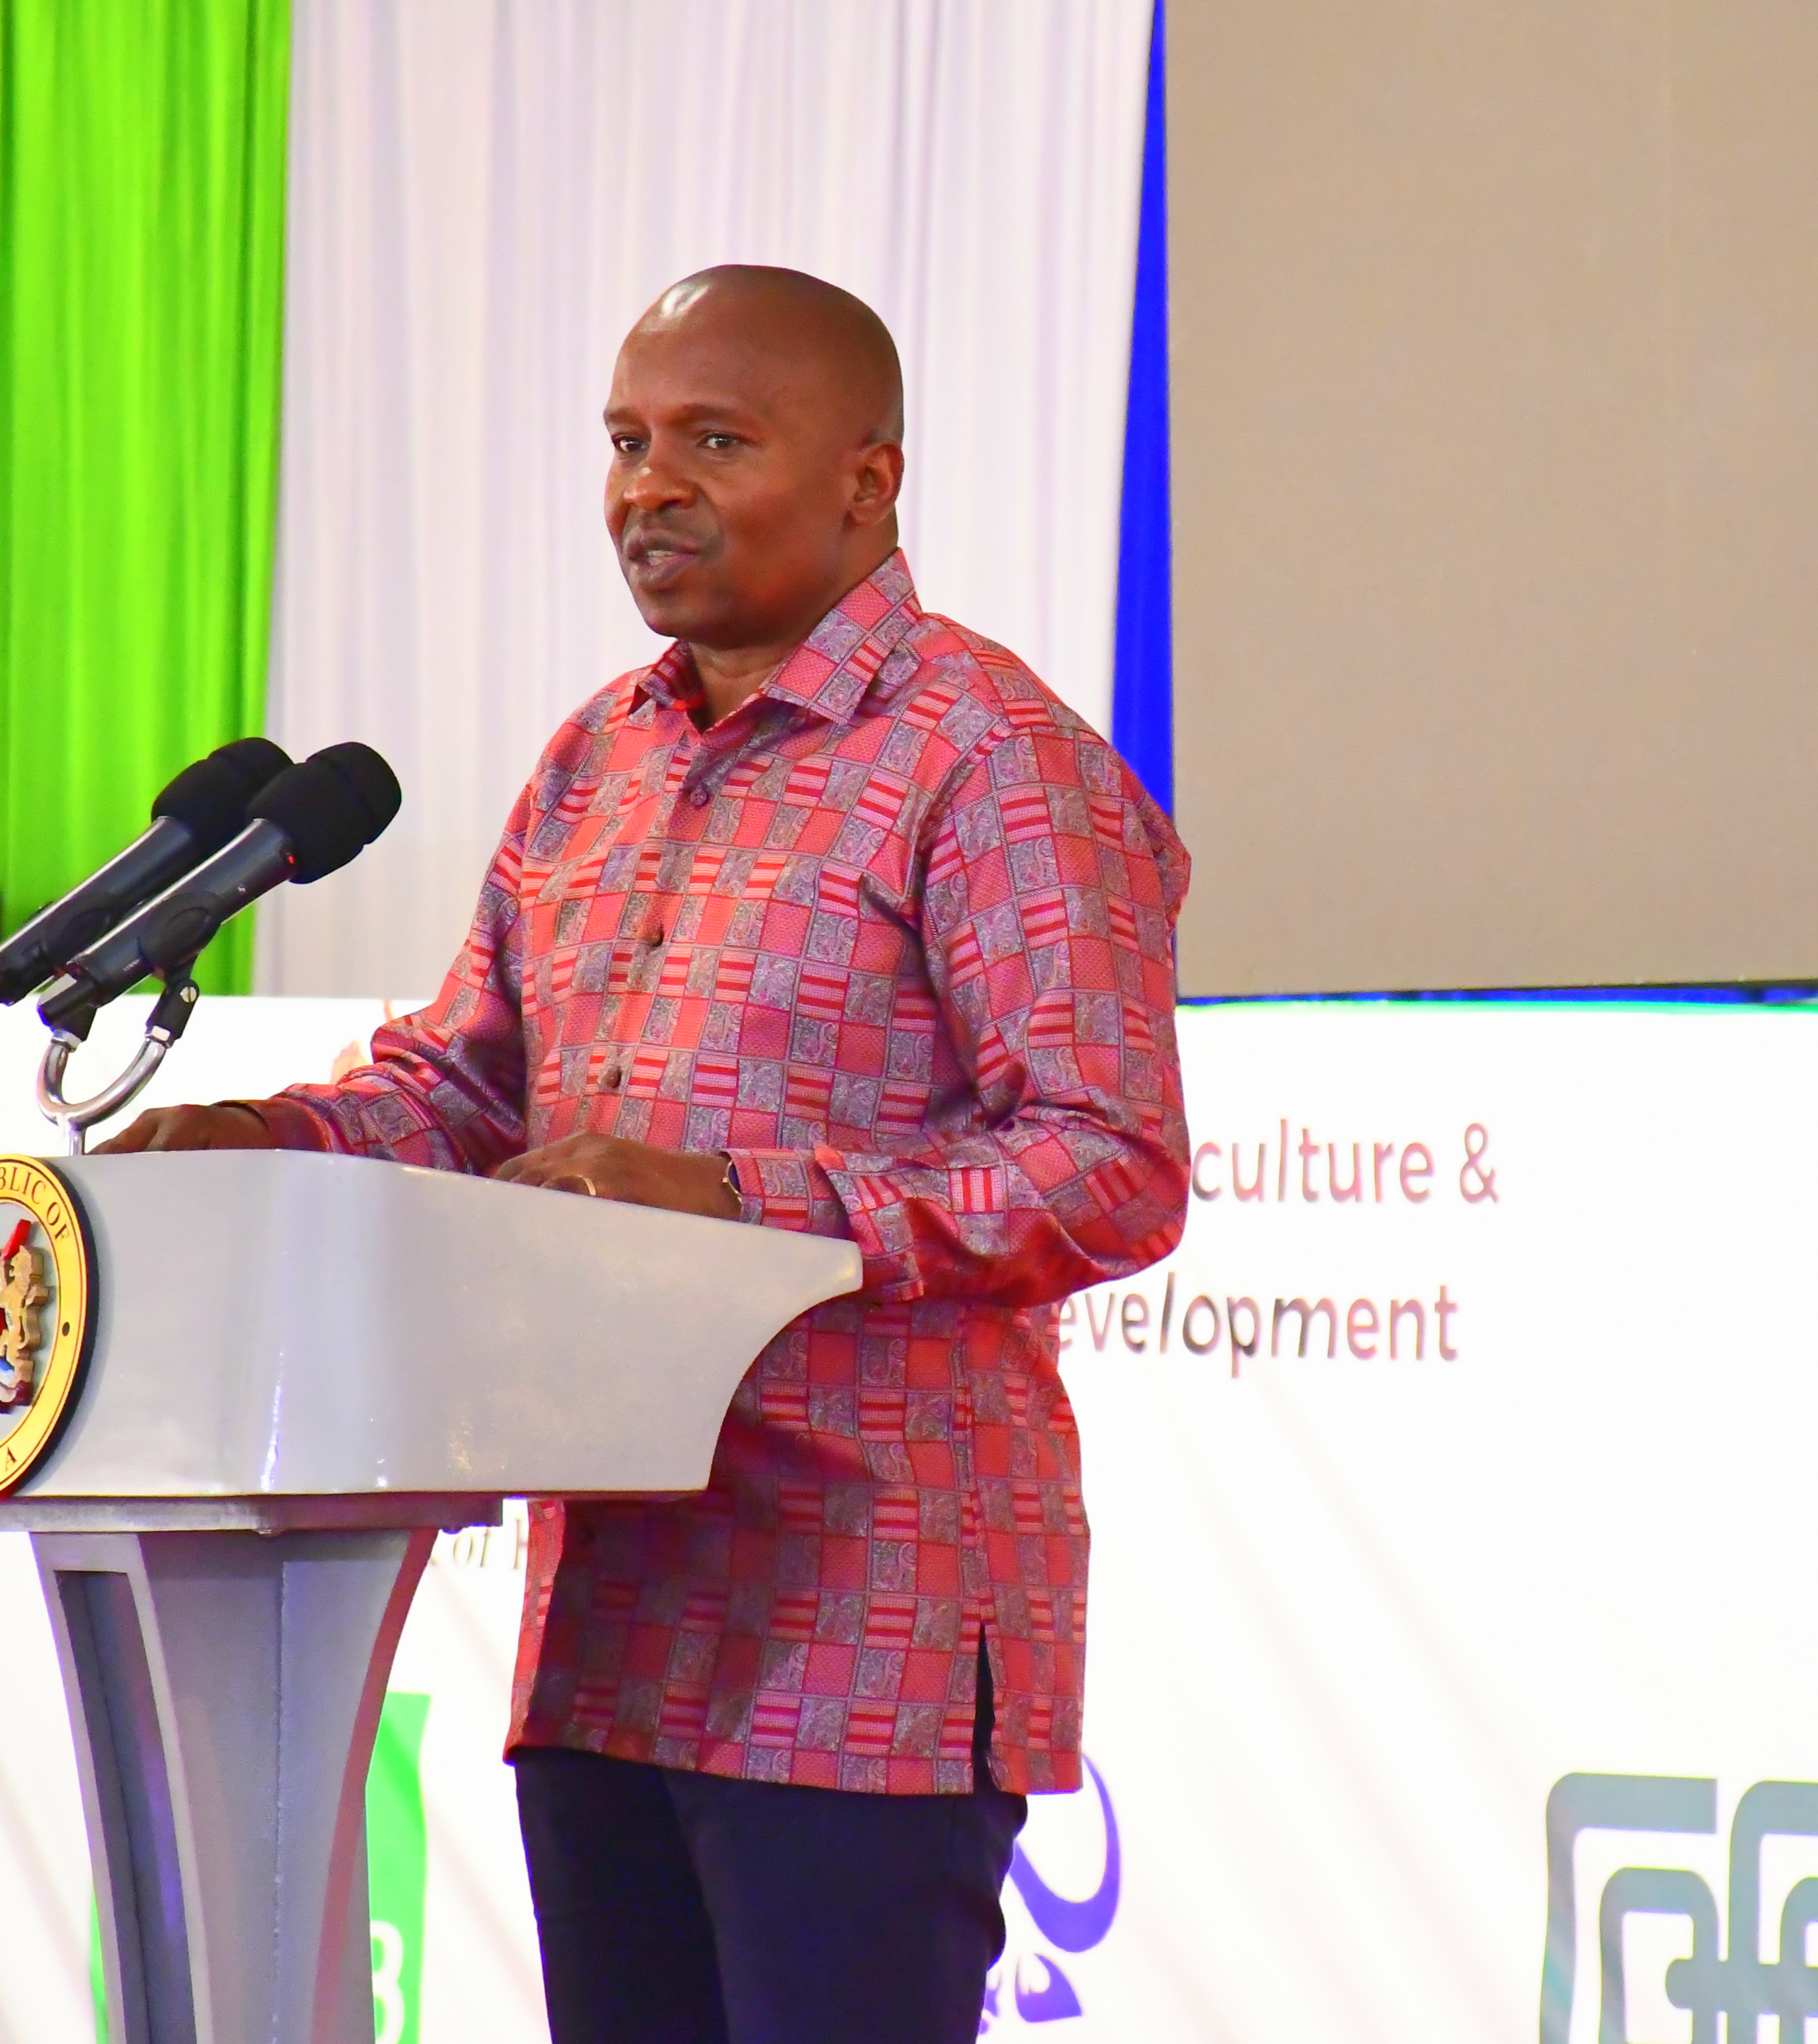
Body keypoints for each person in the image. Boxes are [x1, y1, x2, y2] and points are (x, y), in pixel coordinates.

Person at [105, 265, 1190, 2044]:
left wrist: (737, 1206)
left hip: (865, 1624)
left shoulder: (990, 763)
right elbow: (465, 1097)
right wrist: (269, 1143)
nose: (647, 488)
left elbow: (1107, 1161)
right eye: (625, 442)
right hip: (614, 1621)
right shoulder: (595, 759)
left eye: (713, 440)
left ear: (866, 479)